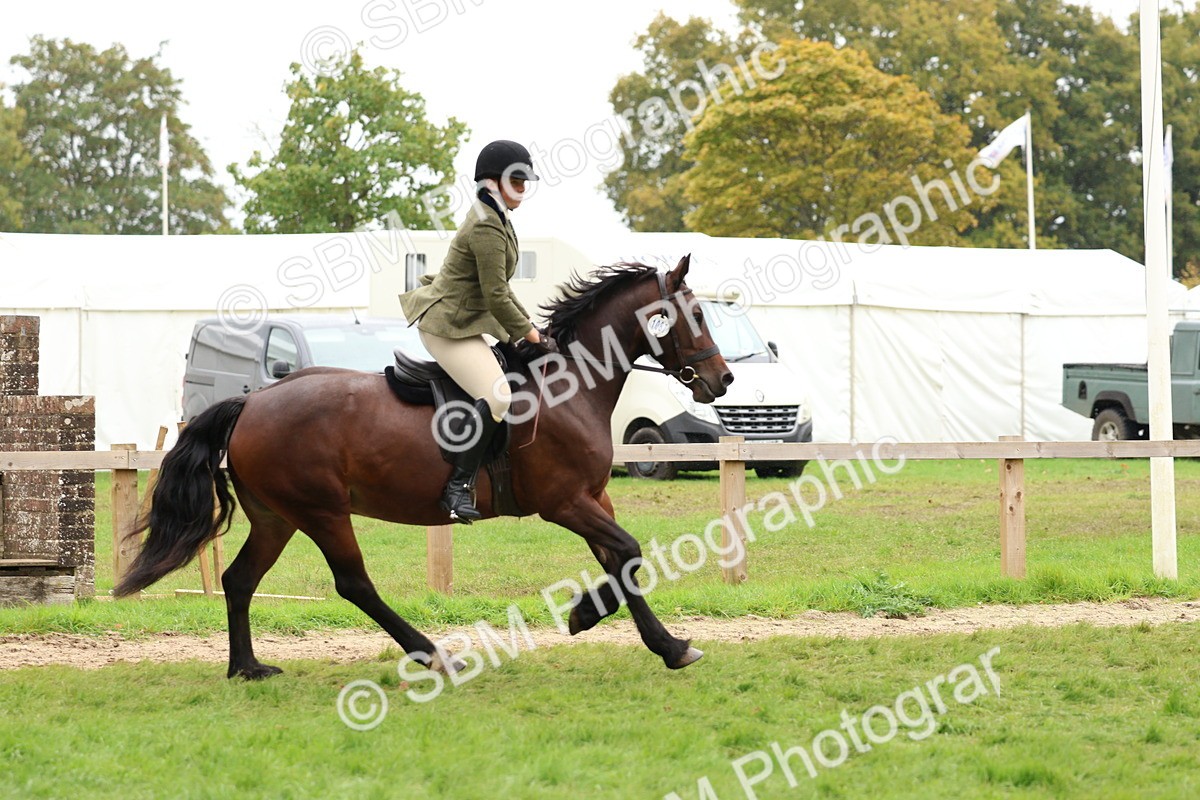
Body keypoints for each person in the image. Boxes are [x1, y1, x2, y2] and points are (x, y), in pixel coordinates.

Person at [399, 139, 556, 524]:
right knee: (499, 397)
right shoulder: (486, 224)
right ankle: (456, 487)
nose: (523, 188)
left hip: (467, 322)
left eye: (525, 181)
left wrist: (531, 329)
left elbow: (503, 290)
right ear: (491, 182)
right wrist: (531, 336)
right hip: (447, 326)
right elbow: (496, 294)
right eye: (516, 180)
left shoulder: (499, 218)